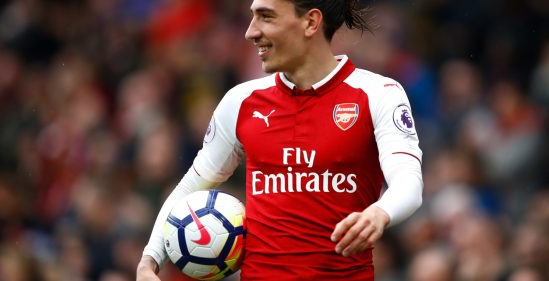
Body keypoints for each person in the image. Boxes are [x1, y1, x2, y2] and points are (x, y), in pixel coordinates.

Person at [137, 0, 423, 280]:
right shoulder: (241, 102)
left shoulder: (378, 93)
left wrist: (380, 212)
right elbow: (190, 187)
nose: (250, 31)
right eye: (252, 16)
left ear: (310, 22)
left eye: (266, 16)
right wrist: (149, 261)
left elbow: (408, 184)